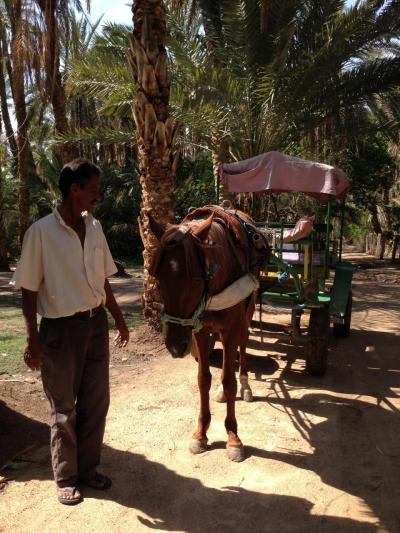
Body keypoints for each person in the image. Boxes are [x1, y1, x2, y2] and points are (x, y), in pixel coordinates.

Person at [10, 158, 130, 505]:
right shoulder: (41, 232)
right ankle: (66, 476)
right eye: (93, 190)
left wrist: (118, 320)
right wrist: (33, 338)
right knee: (64, 408)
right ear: (73, 190)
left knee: (96, 402)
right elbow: (28, 289)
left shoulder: (94, 228)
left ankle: (89, 469)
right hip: (60, 333)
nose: (98, 196)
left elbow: (103, 280)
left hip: (96, 326)